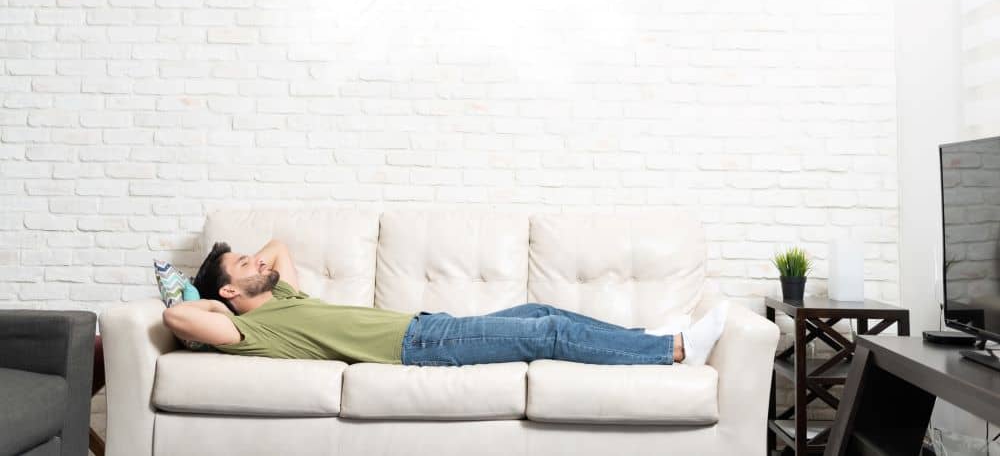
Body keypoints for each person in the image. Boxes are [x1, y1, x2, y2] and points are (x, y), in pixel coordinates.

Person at [163, 239, 728, 367]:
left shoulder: (279, 293)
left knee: (535, 310)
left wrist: (241, 270)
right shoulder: (254, 332)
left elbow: (279, 245)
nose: (260, 264)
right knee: (546, 331)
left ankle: (648, 336)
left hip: (428, 325)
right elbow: (175, 316)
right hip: (415, 347)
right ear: (229, 294)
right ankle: (673, 350)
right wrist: (205, 297)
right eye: (244, 268)